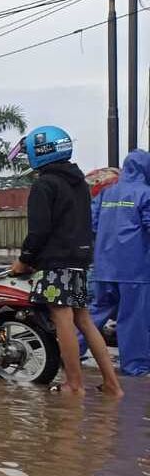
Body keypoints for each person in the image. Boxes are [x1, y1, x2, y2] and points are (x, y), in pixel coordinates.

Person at [8, 125, 123, 397]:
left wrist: (24, 260)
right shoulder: (79, 183)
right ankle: (112, 384)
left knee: (63, 319)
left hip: (55, 262)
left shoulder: (44, 185)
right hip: (79, 260)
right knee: (84, 320)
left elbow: (38, 231)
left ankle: (74, 384)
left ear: (40, 152)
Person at [86, 149, 150, 377]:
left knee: (94, 314)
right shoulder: (145, 194)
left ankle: (69, 353)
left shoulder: (106, 193)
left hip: (104, 266)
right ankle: (135, 367)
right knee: (132, 319)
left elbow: (92, 224)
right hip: (134, 270)